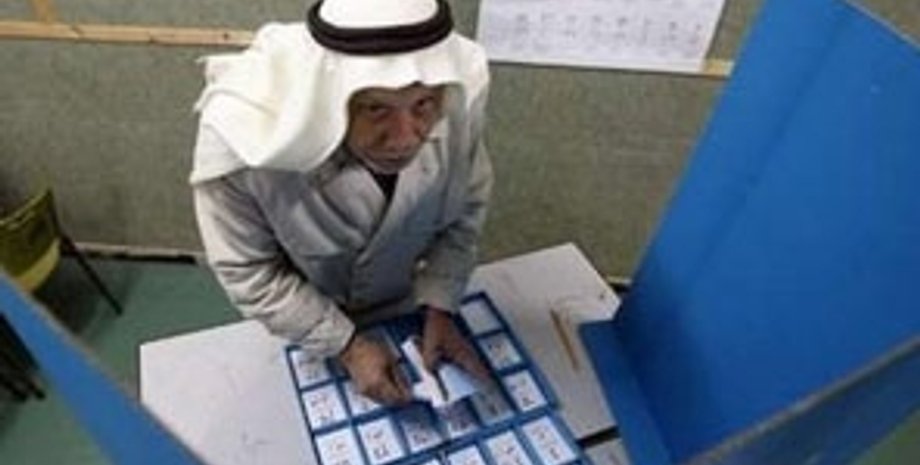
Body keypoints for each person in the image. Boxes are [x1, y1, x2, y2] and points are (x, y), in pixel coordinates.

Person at [189, 0, 492, 405]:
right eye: (376, 108)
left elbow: (464, 213)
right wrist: (346, 346)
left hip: (406, 303)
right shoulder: (244, 142)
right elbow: (249, 272)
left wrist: (440, 304)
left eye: (422, 104)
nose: (405, 138)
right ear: (330, 97)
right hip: (301, 315)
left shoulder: (454, 104)